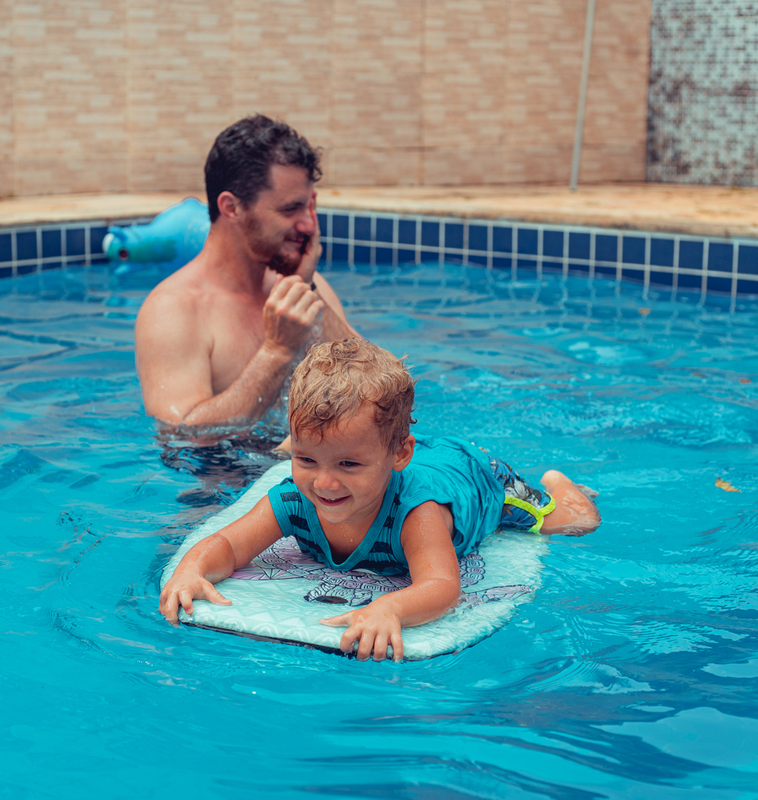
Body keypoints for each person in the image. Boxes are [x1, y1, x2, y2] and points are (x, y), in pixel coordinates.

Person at [159, 339, 602, 661]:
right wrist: (192, 570)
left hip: (473, 476)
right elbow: (228, 545)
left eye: (348, 465)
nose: (324, 484)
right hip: (402, 452)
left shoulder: (419, 514)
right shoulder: (294, 501)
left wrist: (389, 606)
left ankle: (561, 484)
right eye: (306, 459)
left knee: (569, 524)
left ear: (398, 456)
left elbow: (442, 587)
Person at [134, 115, 359, 436]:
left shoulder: (305, 282)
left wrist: (307, 289)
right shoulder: (174, 311)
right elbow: (181, 435)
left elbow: (380, 391)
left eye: (310, 207)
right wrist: (277, 352)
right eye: (289, 209)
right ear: (232, 208)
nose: (309, 225)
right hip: (228, 483)